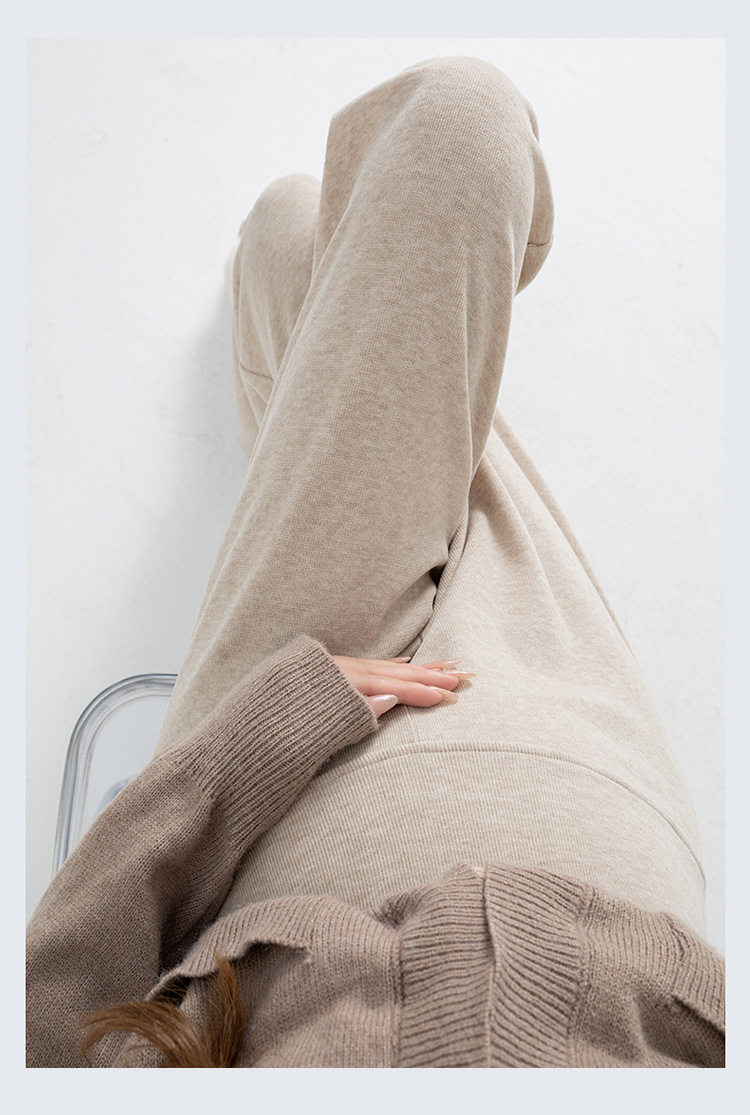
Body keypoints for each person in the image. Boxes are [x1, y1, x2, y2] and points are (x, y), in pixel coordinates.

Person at [26, 56, 724, 1068]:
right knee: (444, 139)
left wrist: (252, 743)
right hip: (596, 855)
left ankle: (304, 300)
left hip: (275, 837)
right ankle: (305, 298)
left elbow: (46, 1017)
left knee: (447, 133)